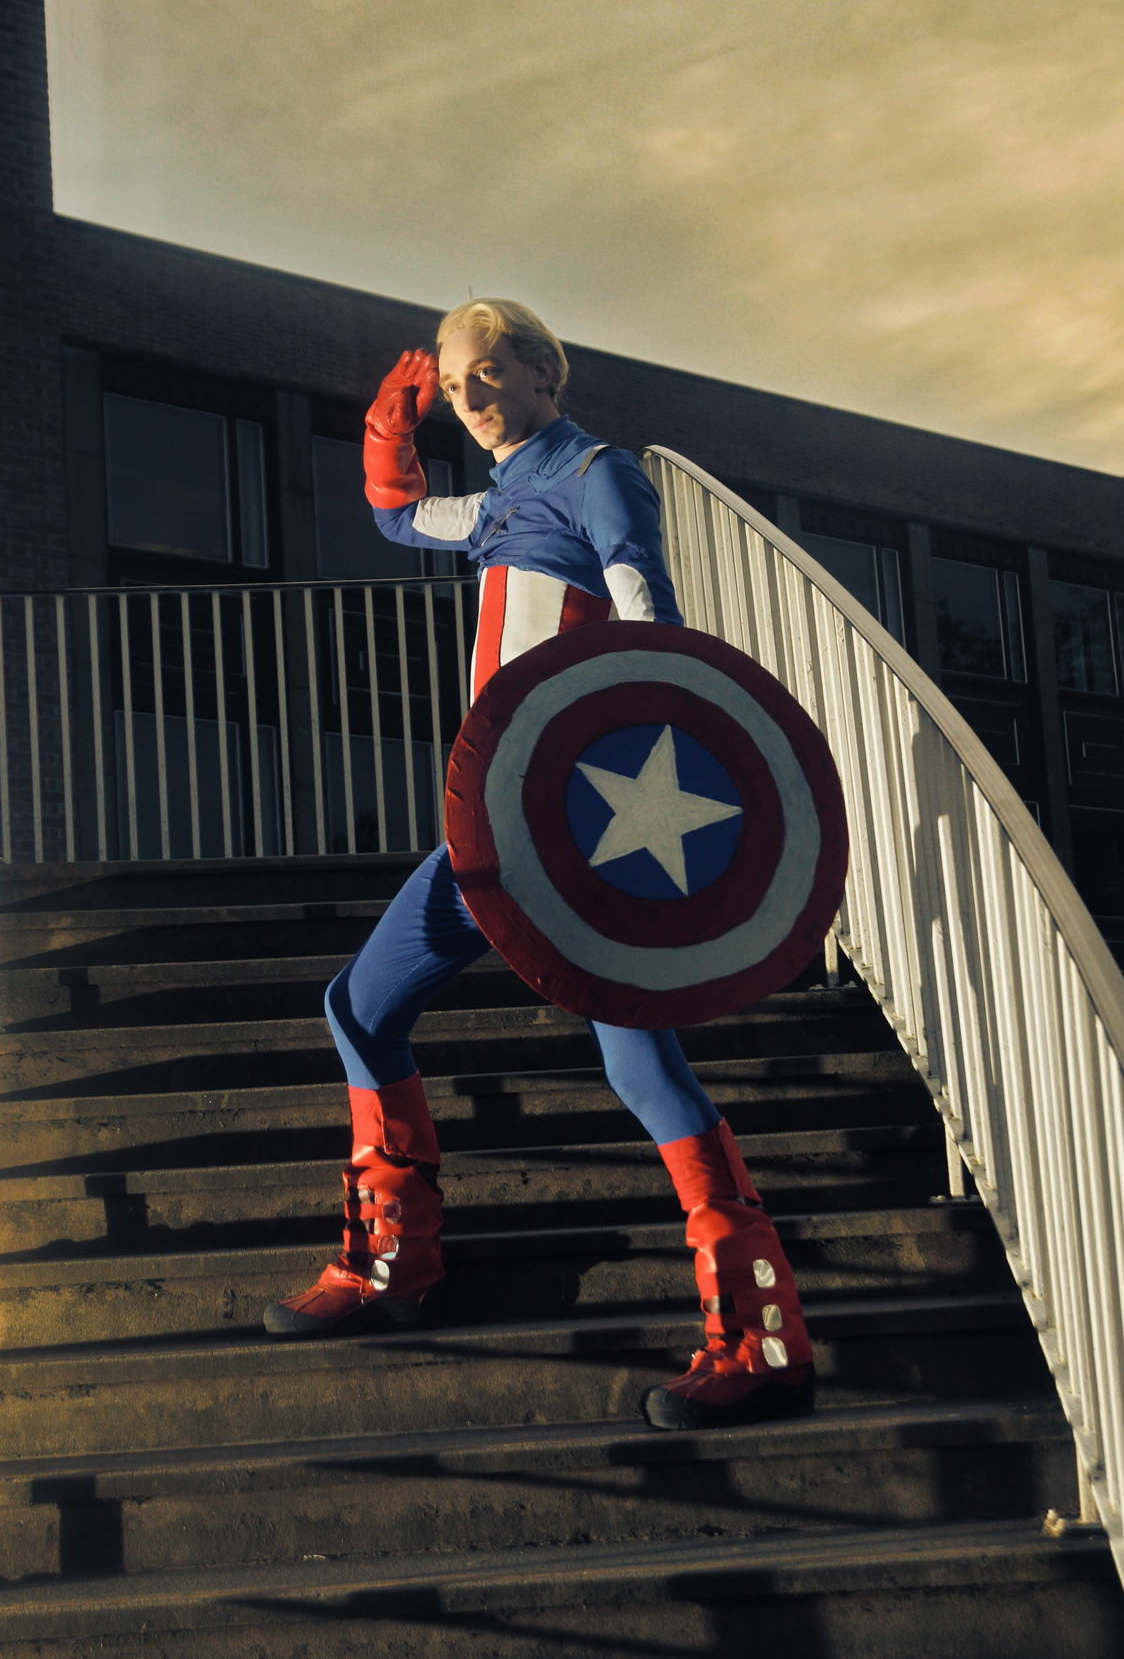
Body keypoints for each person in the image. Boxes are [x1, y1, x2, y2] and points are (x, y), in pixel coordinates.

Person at [264, 298, 814, 1431]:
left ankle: (761, 1338)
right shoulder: (503, 500)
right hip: (490, 833)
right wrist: (388, 429)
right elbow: (399, 519)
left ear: (543, 376)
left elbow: (651, 635)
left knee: (642, 1070)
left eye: (487, 370)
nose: (467, 392)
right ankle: (393, 1265)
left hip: (579, 839)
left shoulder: (599, 476)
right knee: (359, 1007)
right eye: (454, 377)